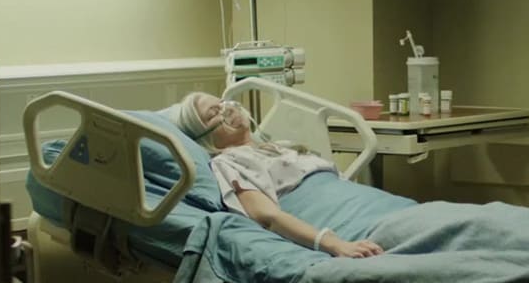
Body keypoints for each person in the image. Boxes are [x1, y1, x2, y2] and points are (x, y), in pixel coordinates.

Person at [158, 92, 393, 258]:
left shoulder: (275, 147)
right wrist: (335, 244)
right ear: (204, 136)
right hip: (341, 221)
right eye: (214, 112)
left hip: (369, 205)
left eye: (222, 103)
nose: (227, 109)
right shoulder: (229, 161)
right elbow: (267, 216)